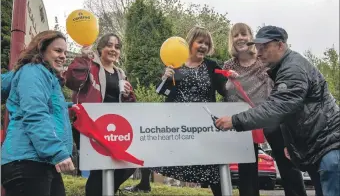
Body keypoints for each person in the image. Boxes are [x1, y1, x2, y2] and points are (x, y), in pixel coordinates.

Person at [216, 25, 340, 196]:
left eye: (264, 47)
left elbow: (277, 108)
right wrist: (290, 143)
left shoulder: (292, 69)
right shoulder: (280, 67)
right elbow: (290, 112)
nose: (259, 53)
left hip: (328, 145)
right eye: (258, 48)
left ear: (280, 45)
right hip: (316, 146)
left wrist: (234, 120)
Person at [124, 26, 232, 196]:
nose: (203, 46)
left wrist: (231, 81)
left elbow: (226, 90)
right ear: (190, 42)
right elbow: (161, 91)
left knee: (212, 166)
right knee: (151, 148)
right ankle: (144, 183)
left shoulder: (211, 66)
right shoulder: (176, 64)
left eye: (206, 43)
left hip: (203, 125)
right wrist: (165, 78)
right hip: (176, 122)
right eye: (200, 42)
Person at [1, 30, 75, 196]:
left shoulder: (46, 76)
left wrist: (71, 107)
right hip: (27, 161)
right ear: (41, 50)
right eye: (58, 51)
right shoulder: (33, 71)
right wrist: (56, 151)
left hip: (41, 160)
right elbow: (35, 114)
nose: (63, 56)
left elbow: (47, 106)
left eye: (65, 52)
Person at [65, 33, 137, 195]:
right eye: (109, 45)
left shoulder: (120, 73)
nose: (113, 49)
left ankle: (106, 191)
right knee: (98, 168)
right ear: (100, 48)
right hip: (88, 125)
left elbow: (130, 106)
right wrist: (82, 59)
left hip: (114, 128)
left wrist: (128, 95)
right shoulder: (89, 66)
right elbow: (71, 81)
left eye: (117, 47)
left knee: (128, 164)